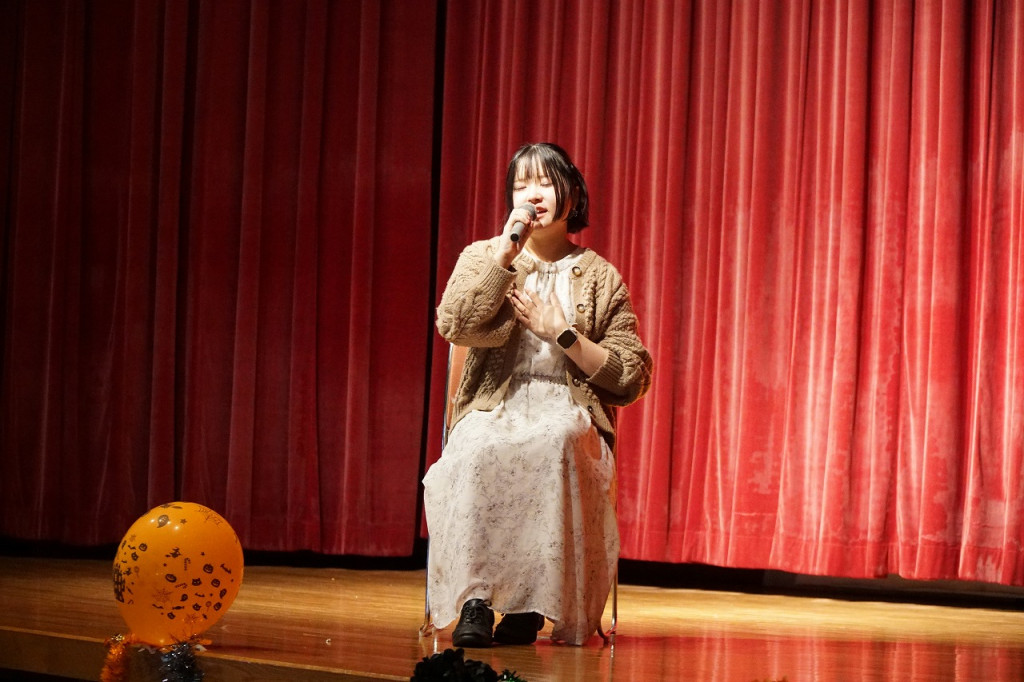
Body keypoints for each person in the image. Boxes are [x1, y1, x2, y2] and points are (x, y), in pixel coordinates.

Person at [423, 142, 652, 647]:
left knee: (554, 443)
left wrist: (564, 335)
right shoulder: (483, 255)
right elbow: (454, 324)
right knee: (478, 447)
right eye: (521, 185)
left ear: (572, 194)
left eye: (545, 183)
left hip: (564, 405)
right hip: (496, 402)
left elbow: (631, 375)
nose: (532, 195)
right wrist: (502, 259)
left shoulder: (601, 277)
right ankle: (476, 602)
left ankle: (530, 603)